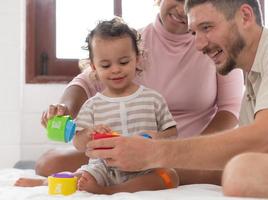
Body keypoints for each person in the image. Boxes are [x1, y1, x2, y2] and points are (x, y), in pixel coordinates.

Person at [35, 0, 244, 185]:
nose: (181, 9)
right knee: (48, 163)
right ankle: (135, 174)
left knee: (230, 170)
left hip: (189, 150)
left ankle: (140, 177)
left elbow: (230, 109)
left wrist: (189, 151)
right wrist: (65, 109)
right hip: (123, 150)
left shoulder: (216, 47)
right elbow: (85, 82)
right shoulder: (133, 43)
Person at [85, 0, 268, 198]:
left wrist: (155, 152)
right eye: (194, 33)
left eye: (207, 27)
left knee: (241, 171)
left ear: (245, 16)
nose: (198, 45)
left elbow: (261, 138)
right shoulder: (253, 73)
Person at [16, 18, 179, 194]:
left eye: (123, 62)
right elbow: (79, 144)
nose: (115, 69)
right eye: (106, 65)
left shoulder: (153, 99)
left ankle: (110, 190)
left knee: (170, 176)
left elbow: (172, 132)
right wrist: (88, 134)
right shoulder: (92, 105)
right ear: (94, 67)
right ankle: (46, 183)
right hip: (103, 167)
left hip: (144, 165)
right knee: (82, 175)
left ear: (137, 60)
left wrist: (156, 136)